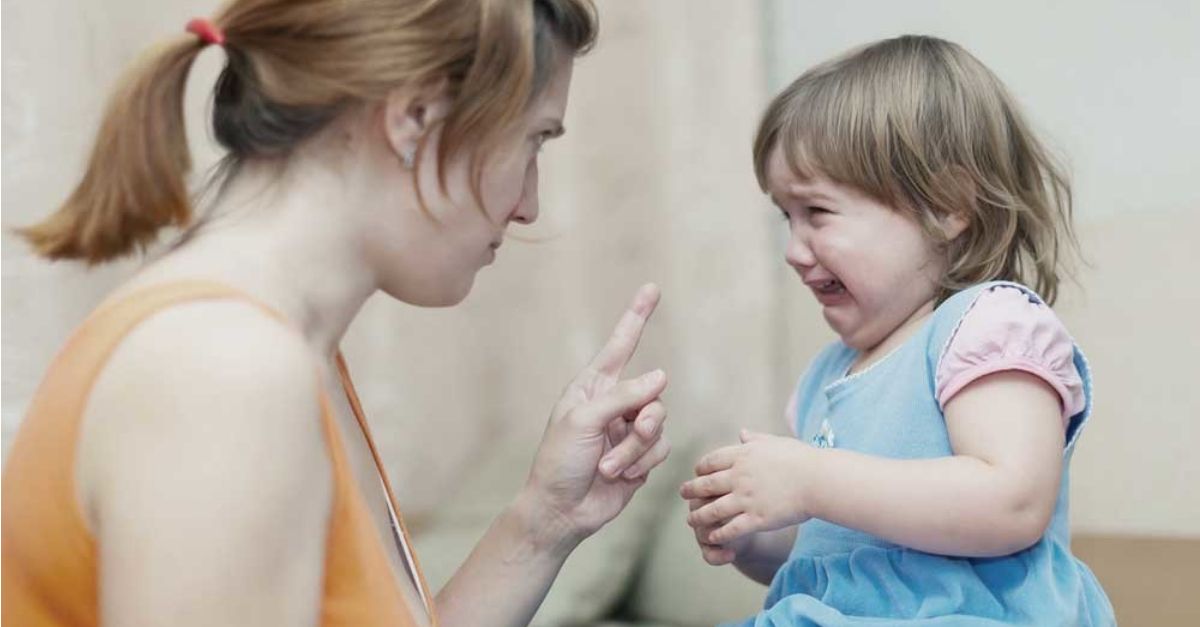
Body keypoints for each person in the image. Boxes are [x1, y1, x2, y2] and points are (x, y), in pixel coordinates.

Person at [2, 1, 673, 625]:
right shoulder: (222, 369)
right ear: (414, 118)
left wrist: (545, 520)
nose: (528, 203)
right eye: (534, 141)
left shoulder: (285, 352)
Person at [681, 35, 1115, 625]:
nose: (793, 250)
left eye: (818, 213)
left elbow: (1011, 502)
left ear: (947, 204)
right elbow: (832, 546)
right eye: (787, 217)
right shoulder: (826, 377)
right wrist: (752, 530)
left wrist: (809, 479)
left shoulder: (987, 324)